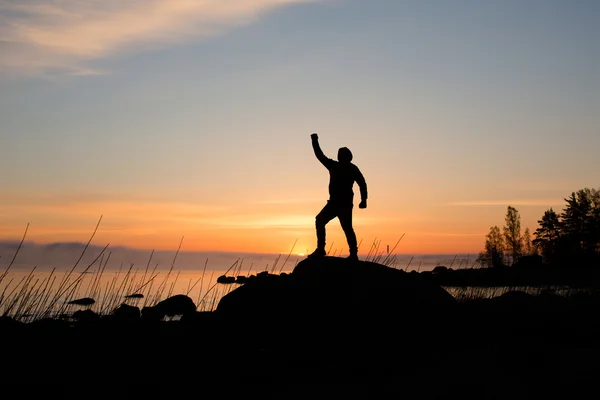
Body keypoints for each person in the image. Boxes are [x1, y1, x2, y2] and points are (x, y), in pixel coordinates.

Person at [308, 133, 368, 261]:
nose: (340, 156)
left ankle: (352, 254)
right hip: (335, 203)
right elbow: (320, 155)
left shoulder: (349, 168)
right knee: (321, 220)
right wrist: (315, 141)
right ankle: (322, 249)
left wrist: (364, 200)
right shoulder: (336, 165)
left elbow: (362, 183)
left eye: (342, 154)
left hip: (343, 203)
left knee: (346, 227)